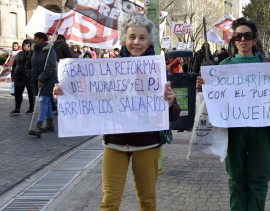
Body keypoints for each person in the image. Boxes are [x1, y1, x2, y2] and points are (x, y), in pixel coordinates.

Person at [53, 13, 181, 211]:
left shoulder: (157, 69)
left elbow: (173, 115)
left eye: (142, 38)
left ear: (149, 42)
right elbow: (91, 96)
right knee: (109, 203)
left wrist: (170, 102)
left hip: (148, 144)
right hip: (115, 143)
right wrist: (64, 93)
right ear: (124, 40)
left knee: (147, 201)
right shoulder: (108, 67)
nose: (136, 42)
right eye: (132, 37)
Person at [196, 17, 270, 211]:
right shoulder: (223, 66)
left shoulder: (269, 67)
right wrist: (203, 87)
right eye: (238, 36)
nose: (243, 39)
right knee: (236, 179)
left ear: (255, 40)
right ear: (234, 41)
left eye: (247, 35)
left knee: (259, 179)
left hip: (261, 131)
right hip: (234, 132)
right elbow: (214, 98)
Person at [25, 32, 57, 137]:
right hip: (36, 79)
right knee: (46, 100)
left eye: (36, 38)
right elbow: (28, 64)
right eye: (34, 38)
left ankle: (38, 126)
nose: (34, 40)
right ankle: (49, 124)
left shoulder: (49, 50)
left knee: (43, 99)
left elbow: (51, 66)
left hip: (48, 79)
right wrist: (30, 75)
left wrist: (42, 78)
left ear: (43, 40)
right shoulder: (33, 50)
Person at [10, 39, 35, 115]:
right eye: (24, 44)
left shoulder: (33, 54)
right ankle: (17, 109)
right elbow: (14, 64)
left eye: (28, 45)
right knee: (18, 94)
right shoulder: (19, 53)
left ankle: (31, 108)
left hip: (28, 77)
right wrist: (13, 74)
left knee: (31, 93)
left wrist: (29, 51)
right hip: (18, 76)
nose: (25, 46)